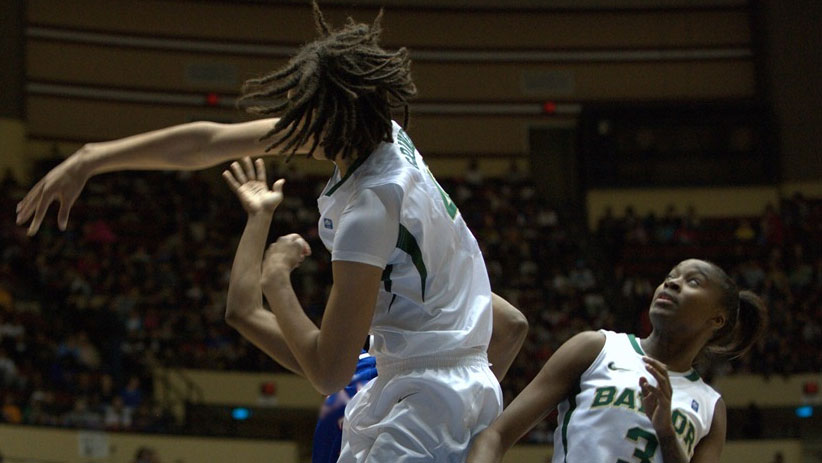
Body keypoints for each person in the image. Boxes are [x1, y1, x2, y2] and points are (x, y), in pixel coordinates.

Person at [17, 3, 522, 461]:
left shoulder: (369, 206)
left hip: (422, 406)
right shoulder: (385, 134)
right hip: (445, 390)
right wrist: (93, 158)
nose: (292, 122)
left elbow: (328, 372)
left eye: (305, 110)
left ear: (327, 119)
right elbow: (207, 143)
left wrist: (277, 281)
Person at [222, 157, 527, 463]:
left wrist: (461, 416)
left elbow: (511, 325)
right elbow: (243, 311)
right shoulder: (346, 360)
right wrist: (259, 216)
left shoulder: (416, 359)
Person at [467, 259, 768, 463]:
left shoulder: (710, 405)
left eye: (693, 282)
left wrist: (666, 433)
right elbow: (496, 434)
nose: (671, 284)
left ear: (717, 319)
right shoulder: (596, 348)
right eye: (669, 277)